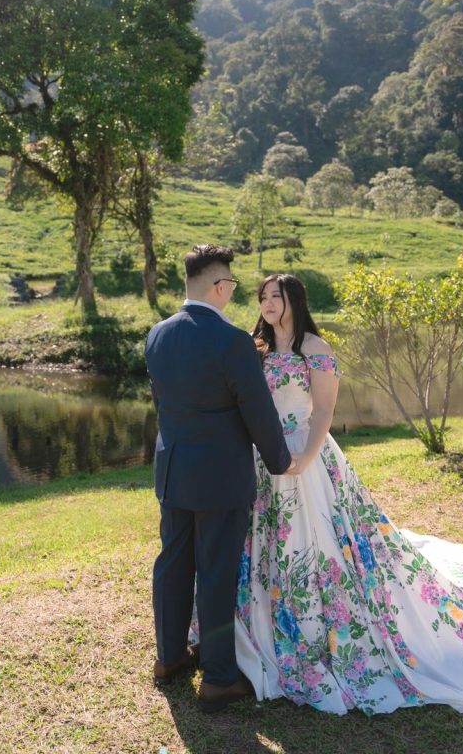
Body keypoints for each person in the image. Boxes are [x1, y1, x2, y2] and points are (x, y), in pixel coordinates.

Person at [235, 272, 463, 715]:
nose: (267, 303)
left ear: (294, 299)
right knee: (264, 538)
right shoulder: (256, 348)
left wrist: (306, 457)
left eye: (275, 296)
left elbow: (324, 411)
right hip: (263, 454)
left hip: (304, 454)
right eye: (262, 297)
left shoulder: (315, 348)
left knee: (318, 539)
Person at [146, 245, 302, 713]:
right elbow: (257, 410)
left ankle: (169, 658)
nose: (232, 292)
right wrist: (280, 460)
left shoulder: (157, 334)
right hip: (219, 476)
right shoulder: (232, 341)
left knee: (172, 563)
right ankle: (217, 678)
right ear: (218, 286)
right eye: (231, 284)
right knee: (215, 571)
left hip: (173, 471)